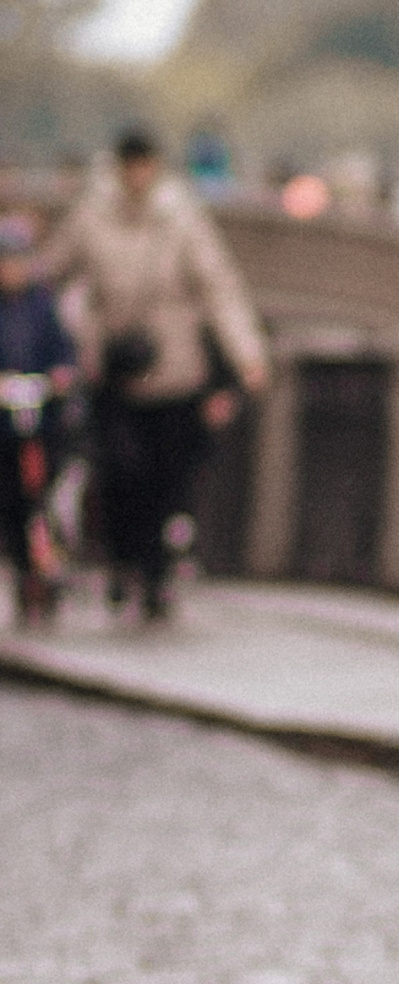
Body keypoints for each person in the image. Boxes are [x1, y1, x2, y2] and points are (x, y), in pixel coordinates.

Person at [38, 128, 267, 621]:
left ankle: (156, 573)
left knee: (169, 478)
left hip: (175, 371)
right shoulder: (91, 216)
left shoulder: (183, 219)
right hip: (113, 375)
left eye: (145, 165)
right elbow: (48, 274)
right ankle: (124, 562)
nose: (138, 174)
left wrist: (247, 353)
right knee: (120, 474)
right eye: (130, 165)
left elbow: (218, 289)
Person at [0, 218, 78, 625]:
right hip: (5, 426)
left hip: (42, 420)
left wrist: (62, 373)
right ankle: (24, 573)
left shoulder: (42, 305)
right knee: (14, 502)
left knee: (46, 492)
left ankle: (52, 563)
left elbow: (63, 350)